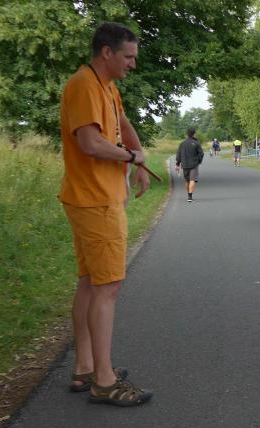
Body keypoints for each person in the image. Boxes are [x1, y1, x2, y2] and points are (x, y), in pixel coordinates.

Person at [58, 22, 152, 407]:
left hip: (93, 198)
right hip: (96, 200)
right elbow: (91, 142)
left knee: (89, 282)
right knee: (107, 288)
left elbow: (122, 124)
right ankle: (104, 381)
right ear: (107, 52)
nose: (133, 64)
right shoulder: (83, 85)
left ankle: (85, 367)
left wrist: (139, 160)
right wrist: (131, 156)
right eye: (128, 57)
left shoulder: (107, 87)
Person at [175, 127, 204, 202]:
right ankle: (190, 197)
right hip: (194, 164)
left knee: (187, 180)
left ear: (187, 134)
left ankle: (188, 195)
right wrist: (198, 161)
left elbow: (179, 155)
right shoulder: (196, 143)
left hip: (184, 164)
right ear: (194, 134)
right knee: (192, 180)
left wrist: (177, 164)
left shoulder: (182, 143)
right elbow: (201, 154)